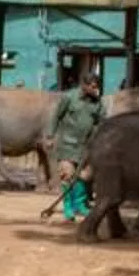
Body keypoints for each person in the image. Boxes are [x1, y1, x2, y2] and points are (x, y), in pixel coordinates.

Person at [44, 65, 105, 221]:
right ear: (84, 85)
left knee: (85, 176)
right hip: (68, 144)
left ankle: (80, 204)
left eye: (97, 86)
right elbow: (55, 117)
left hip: (87, 146)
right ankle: (68, 207)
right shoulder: (69, 98)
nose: (95, 88)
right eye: (92, 86)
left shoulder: (97, 103)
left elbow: (102, 121)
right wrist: (50, 136)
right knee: (67, 175)